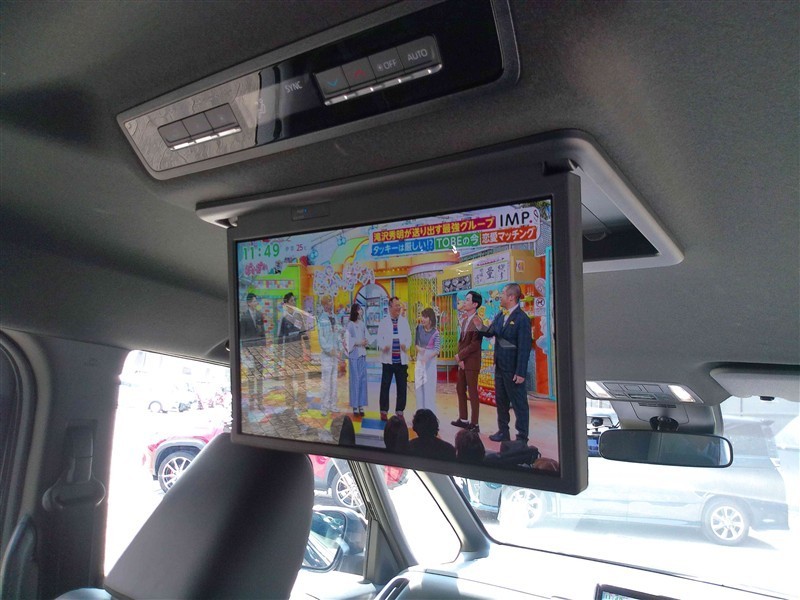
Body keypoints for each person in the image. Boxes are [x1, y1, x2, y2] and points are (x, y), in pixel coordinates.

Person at [479, 283, 533, 443]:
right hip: (500, 368)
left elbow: (524, 347)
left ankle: (522, 436)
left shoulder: (522, 319)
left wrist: (521, 372)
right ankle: (503, 431)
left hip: (514, 370)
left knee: (519, 404)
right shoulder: (500, 316)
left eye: (502, 294)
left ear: (511, 297)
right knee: (501, 402)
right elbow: (490, 332)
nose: (499, 297)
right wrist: (479, 325)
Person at [452, 291, 484, 432]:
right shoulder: (465, 320)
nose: (464, 302)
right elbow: (462, 341)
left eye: (467, 300)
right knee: (460, 389)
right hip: (463, 362)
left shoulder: (478, 322)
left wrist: (460, 356)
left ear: (475, 304)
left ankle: (475, 423)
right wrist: (460, 358)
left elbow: (475, 344)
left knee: (472, 392)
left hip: (471, 362)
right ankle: (463, 419)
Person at [377, 296, 411, 421]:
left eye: (399, 305)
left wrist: (406, 345)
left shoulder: (404, 321)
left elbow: (409, 338)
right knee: (385, 386)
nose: (399, 308)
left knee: (402, 387)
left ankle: (400, 411)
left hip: (401, 361)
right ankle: (383, 411)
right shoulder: (383, 322)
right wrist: (383, 346)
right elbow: (379, 339)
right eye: (396, 305)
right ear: (390, 307)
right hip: (388, 361)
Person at [277, 292, 310, 409]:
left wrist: (308, 348)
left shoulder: (299, 316)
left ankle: (302, 404)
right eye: (292, 301)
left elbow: (304, 333)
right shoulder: (284, 318)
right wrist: (279, 354)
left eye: (294, 300)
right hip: (288, 353)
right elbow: (280, 338)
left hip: (298, 352)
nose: (294, 302)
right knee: (288, 379)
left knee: (301, 379)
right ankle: (289, 405)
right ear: (286, 303)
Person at [239, 292, 265, 410]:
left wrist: (263, 346)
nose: (256, 303)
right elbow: (242, 334)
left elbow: (263, 332)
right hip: (249, 350)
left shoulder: (259, 315)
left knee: (259, 376)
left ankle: (260, 403)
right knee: (250, 376)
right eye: (254, 301)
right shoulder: (244, 316)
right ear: (249, 303)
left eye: (256, 301)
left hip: (259, 349)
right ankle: (251, 403)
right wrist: (244, 349)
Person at [317, 295, 341, 416]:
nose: (331, 304)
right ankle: (324, 406)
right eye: (329, 302)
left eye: (331, 302)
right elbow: (321, 338)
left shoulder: (335, 317)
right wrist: (328, 349)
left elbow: (338, 334)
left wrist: (339, 349)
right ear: (324, 304)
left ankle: (333, 405)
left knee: (334, 381)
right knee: (326, 382)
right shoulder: (321, 319)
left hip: (335, 354)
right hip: (326, 355)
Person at [345, 303, 370, 417]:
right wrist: (359, 342)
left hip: (362, 355)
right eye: (359, 309)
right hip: (354, 356)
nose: (361, 311)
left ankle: (361, 405)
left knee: (363, 380)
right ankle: (355, 406)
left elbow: (367, 336)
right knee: (355, 380)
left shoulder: (362, 324)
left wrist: (366, 341)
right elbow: (347, 340)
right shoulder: (350, 325)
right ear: (355, 311)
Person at [414, 307, 440, 413]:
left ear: (431, 319)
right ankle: (419, 412)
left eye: (425, 317)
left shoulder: (436, 333)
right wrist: (421, 350)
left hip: (430, 360)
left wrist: (427, 357)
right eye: (422, 316)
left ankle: (429, 413)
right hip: (420, 357)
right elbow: (416, 344)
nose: (422, 319)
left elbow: (437, 350)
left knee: (429, 388)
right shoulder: (419, 328)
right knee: (419, 387)